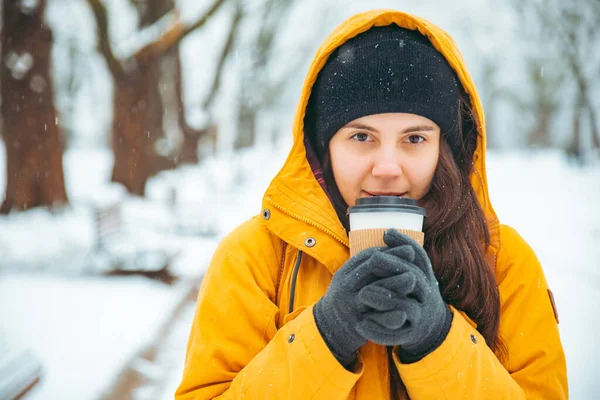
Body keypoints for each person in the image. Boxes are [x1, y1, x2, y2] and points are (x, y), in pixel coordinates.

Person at [175, 9, 568, 399]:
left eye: (414, 139)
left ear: (445, 149)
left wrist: (438, 339)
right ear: (322, 147)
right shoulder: (254, 257)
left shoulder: (503, 261)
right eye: (361, 137)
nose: (387, 168)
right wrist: (326, 335)